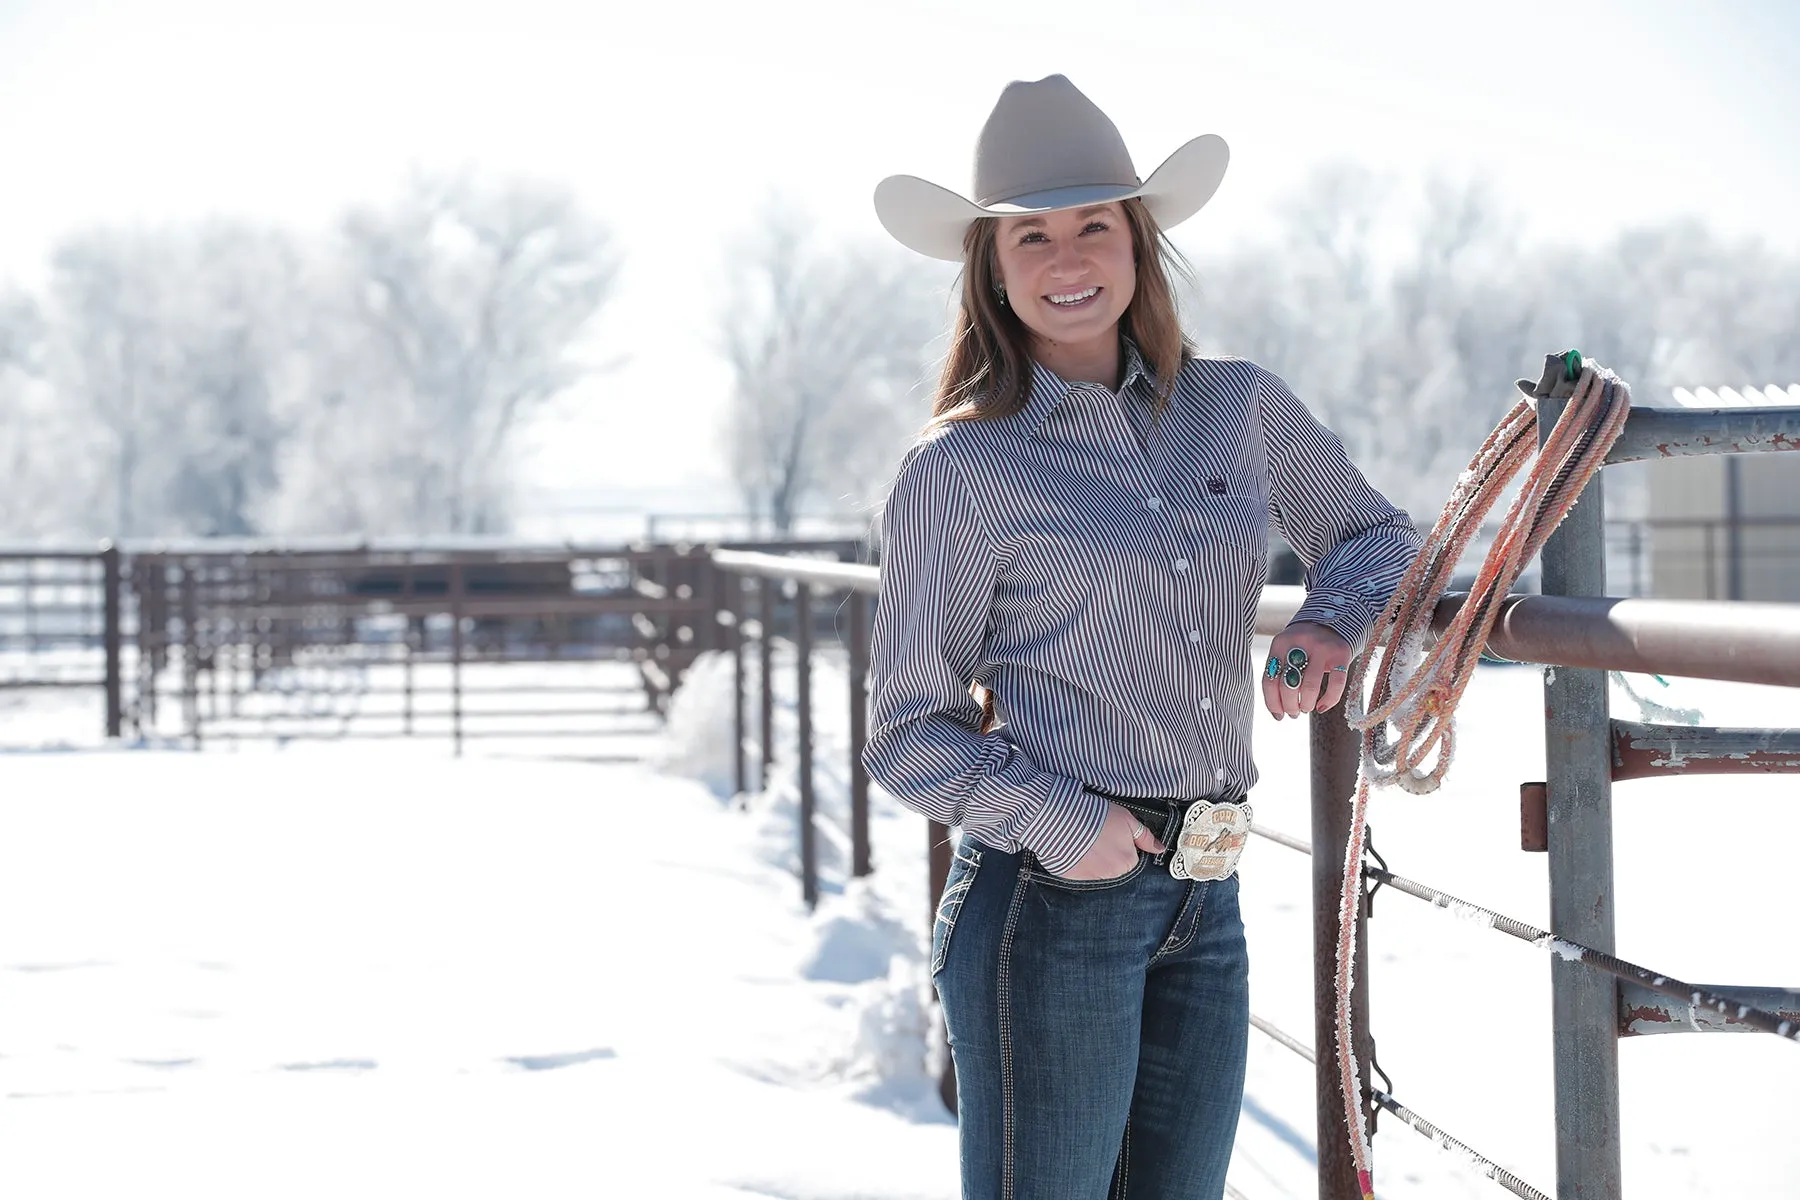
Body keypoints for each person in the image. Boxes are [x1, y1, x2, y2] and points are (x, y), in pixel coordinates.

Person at [861, 75, 1422, 1200]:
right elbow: (906, 733)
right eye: (1034, 236)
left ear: (1137, 243)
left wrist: (1326, 619)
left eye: (1094, 227)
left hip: (1208, 894)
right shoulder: (959, 471)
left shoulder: (1238, 407)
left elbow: (1377, 536)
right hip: (1049, 900)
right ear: (993, 265)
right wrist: (1065, 824)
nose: (1069, 261)